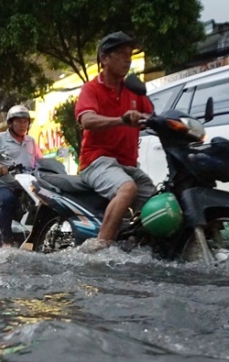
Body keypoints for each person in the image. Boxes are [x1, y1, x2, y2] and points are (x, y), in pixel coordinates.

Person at [75, 31, 155, 252]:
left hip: (128, 165)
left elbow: (151, 116)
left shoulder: (133, 90)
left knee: (159, 201)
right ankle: (100, 249)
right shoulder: (91, 89)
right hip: (96, 161)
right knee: (128, 189)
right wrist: (121, 120)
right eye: (120, 53)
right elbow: (87, 120)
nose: (127, 59)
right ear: (104, 58)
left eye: (129, 54)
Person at [0, 105, 43, 247]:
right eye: (19, 121)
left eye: (25, 122)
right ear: (10, 123)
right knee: (8, 200)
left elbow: (40, 160)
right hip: (4, 184)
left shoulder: (31, 141)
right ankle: (6, 242)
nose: (23, 125)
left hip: (27, 185)